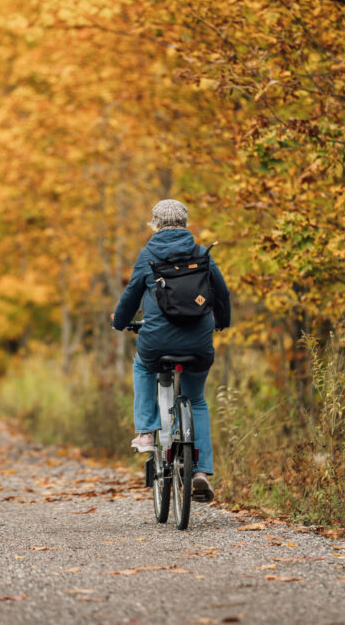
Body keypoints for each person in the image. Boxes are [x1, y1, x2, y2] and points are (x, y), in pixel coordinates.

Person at [112, 199, 231, 503]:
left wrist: (120, 323)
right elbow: (222, 291)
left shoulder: (148, 254)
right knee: (197, 400)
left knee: (142, 366)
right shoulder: (202, 254)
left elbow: (131, 295)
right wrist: (222, 322)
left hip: (156, 342)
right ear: (185, 222)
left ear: (155, 224)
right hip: (198, 343)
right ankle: (201, 472)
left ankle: (147, 432)